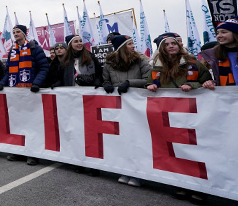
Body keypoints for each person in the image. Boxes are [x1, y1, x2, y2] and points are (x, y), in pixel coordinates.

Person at [146, 33, 213, 204]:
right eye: (167, 44)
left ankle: (200, 188)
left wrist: (194, 85)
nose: (171, 46)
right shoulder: (156, 68)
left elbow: (209, 83)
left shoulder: (194, 64)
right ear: (162, 49)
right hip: (171, 117)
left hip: (192, 115)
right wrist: (151, 85)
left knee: (194, 150)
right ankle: (182, 183)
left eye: (174, 43)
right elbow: (149, 83)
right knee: (177, 151)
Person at [101, 35, 151, 187]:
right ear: (122, 46)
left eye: (133, 43)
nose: (133, 46)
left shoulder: (140, 60)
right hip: (119, 105)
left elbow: (149, 78)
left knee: (137, 138)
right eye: (129, 44)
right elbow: (105, 79)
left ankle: (138, 173)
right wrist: (106, 84)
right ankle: (126, 169)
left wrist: (130, 83)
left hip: (137, 104)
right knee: (122, 138)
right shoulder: (109, 63)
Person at [0, 25, 49, 165]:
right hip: (15, 91)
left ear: (24, 33)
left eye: (18, 32)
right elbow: (8, 71)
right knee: (17, 121)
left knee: (32, 123)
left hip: (30, 91)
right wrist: (2, 83)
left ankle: (33, 153)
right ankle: (18, 151)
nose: (15, 34)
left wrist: (37, 83)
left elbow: (44, 68)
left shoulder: (34, 48)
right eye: (13, 32)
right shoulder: (12, 50)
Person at [57, 34, 103, 176]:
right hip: (72, 99)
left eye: (80, 41)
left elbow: (99, 74)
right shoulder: (66, 60)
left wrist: (97, 82)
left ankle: (94, 164)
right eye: (76, 41)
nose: (79, 43)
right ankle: (79, 161)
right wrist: (56, 85)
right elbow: (60, 76)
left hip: (88, 97)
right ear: (70, 44)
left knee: (90, 131)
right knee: (76, 131)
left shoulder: (89, 56)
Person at [200, 18, 237, 87]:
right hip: (228, 95)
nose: (219, 36)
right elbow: (219, 80)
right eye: (217, 33)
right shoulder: (215, 55)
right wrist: (212, 83)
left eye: (224, 32)